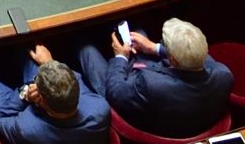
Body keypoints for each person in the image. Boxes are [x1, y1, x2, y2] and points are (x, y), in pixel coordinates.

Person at [77, 17, 231, 136]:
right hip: (165, 98)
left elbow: (115, 91)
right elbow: (197, 58)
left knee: (86, 48)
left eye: (164, 43)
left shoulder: (150, 83)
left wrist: (121, 57)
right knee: (137, 32)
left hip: (137, 103)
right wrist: (154, 47)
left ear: (173, 59)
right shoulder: (224, 75)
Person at [0, 45, 110, 144]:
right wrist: (50, 63)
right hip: (46, 109)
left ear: (41, 100)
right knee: (29, 51)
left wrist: (24, 95)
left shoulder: (26, 129)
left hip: (15, 106)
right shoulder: (99, 108)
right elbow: (75, 79)